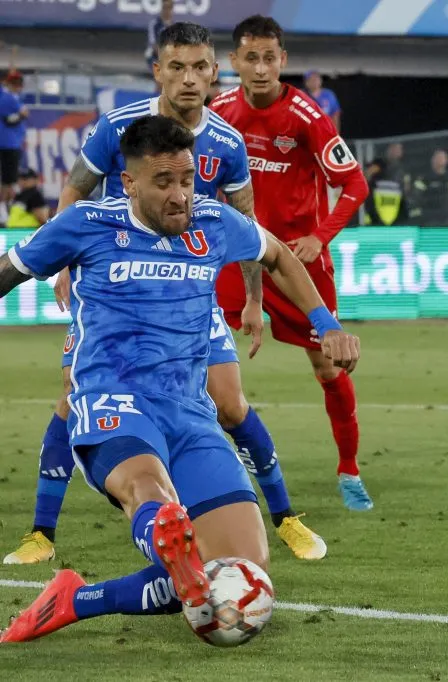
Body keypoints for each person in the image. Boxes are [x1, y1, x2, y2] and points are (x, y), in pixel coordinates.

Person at [0, 115, 360, 643]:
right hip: (114, 403)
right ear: (129, 183)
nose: (180, 195)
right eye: (164, 182)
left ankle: (76, 599)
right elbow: (9, 271)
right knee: (148, 490)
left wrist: (326, 324)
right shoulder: (87, 224)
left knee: (240, 580)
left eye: (187, 179)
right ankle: (168, 539)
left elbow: (279, 256)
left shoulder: (214, 221)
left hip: (190, 415)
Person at [2, 22, 327, 566]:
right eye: (177, 67)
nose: (189, 79)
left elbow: (251, 229)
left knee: (229, 403)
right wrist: (64, 262)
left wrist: (253, 299)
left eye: (199, 67)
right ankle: (42, 531)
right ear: (159, 71)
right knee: (73, 394)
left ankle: (284, 517)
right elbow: (75, 190)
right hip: (115, 286)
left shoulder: (227, 143)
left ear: (214, 72)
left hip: (190, 290)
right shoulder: (117, 128)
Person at [210, 15, 372, 510]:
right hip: (237, 259)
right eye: (250, 58)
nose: (260, 69)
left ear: (283, 60)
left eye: (269, 58)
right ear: (234, 62)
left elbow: (355, 184)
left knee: (329, 367)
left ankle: (349, 469)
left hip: (297, 262)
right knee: (198, 356)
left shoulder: (306, 116)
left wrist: (320, 238)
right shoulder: (218, 112)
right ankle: (207, 464)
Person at [0, 65, 28, 223]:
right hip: (7, 145)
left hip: (11, 143)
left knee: (9, 180)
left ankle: (5, 208)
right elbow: (9, 120)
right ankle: (3, 209)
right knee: (7, 180)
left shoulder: (12, 97)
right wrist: (21, 114)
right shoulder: (7, 98)